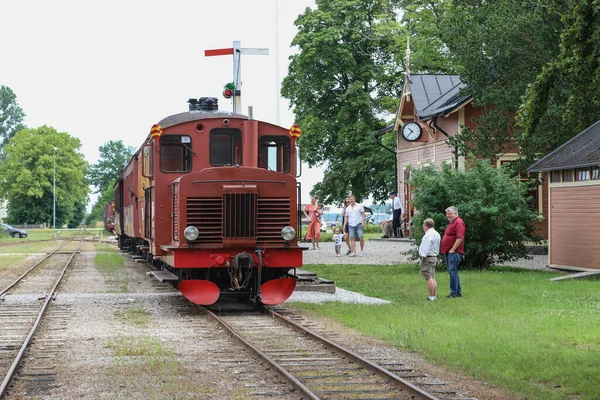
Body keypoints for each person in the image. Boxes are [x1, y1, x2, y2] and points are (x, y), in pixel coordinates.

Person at [441, 206, 466, 298]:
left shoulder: (459, 222)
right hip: (449, 251)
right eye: (447, 213)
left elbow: (460, 237)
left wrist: (453, 249)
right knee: (453, 271)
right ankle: (458, 291)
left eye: (450, 213)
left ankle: (454, 292)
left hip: (454, 252)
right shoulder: (452, 223)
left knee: (452, 271)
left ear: (455, 213)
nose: (448, 215)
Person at [419, 218, 440, 301]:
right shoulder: (436, 234)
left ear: (425, 226)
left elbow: (426, 247)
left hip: (428, 257)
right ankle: (433, 295)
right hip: (434, 256)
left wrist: (423, 257)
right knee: (432, 277)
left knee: (428, 277)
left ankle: (431, 296)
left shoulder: (428, 235)